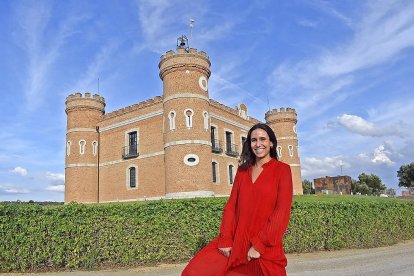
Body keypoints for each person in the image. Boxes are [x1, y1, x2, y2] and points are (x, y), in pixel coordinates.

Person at [182, 123, 293, 276]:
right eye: (254, 140)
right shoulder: (242, 171)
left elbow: (281, 212)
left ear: (271, 143)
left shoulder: (282, 170)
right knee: (194, 271)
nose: (258, 144)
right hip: (237, 242)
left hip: (264, 248)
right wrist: (226, 239)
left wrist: (259, 246)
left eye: (263, 139)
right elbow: (231, 206)